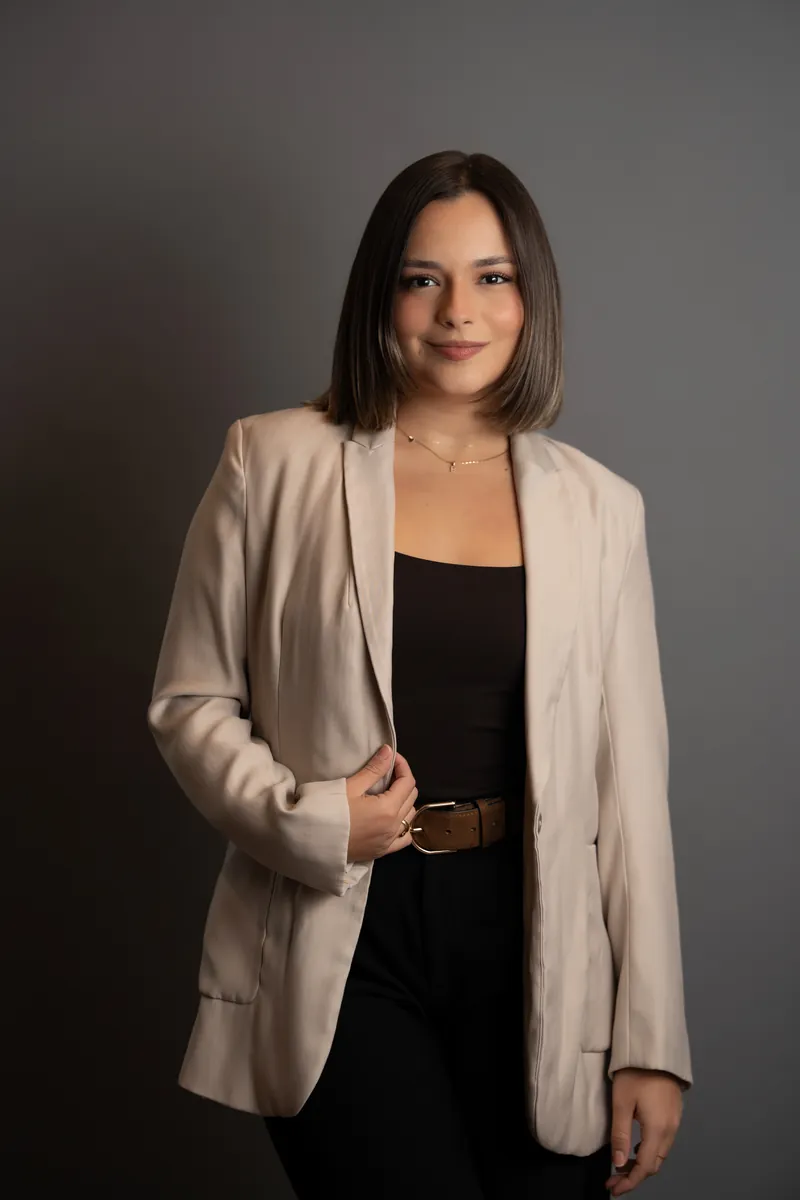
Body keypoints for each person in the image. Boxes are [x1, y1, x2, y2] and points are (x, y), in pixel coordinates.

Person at [147, 149, 693, 1199]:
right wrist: (308, 819)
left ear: (529, 298)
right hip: (337, 936)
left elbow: (631, 798)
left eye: (491, 276)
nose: (457, 311)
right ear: (379, 294)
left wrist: (652, 1038)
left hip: (540, 942)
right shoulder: (273, 462)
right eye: (420, 277)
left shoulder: (599, 509)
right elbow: (190, 700)